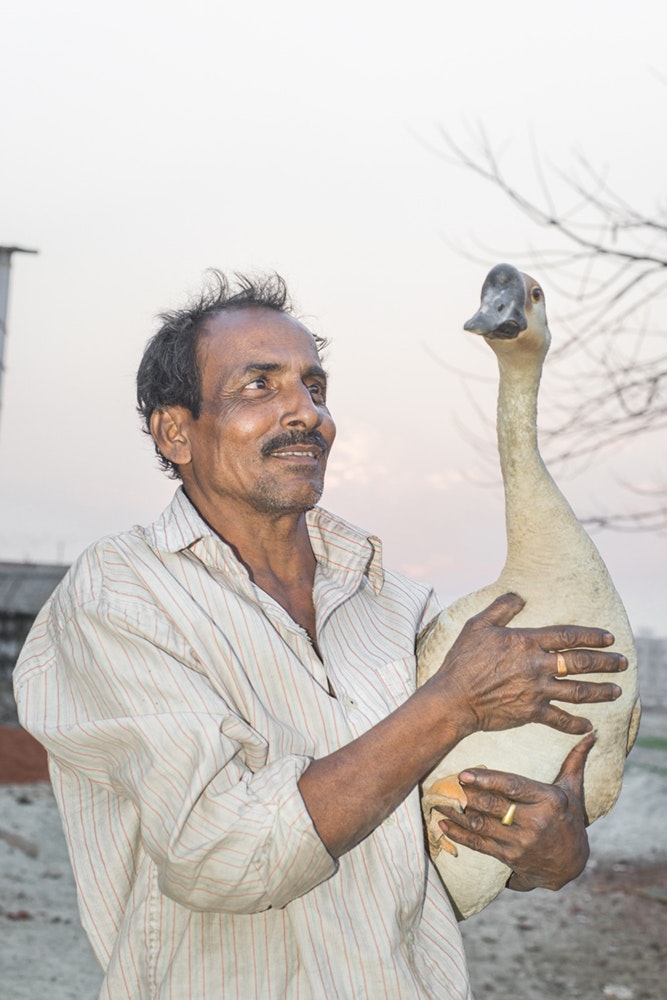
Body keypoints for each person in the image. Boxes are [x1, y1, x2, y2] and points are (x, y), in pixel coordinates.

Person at [14, 272, 627, 999]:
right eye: (258, 386)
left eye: (314, 386)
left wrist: (548, 855)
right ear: (175, 432)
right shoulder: (122, 594)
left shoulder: (400, 608)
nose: (304, 412)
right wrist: (450, 703)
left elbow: (447, 837)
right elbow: (218, 854)